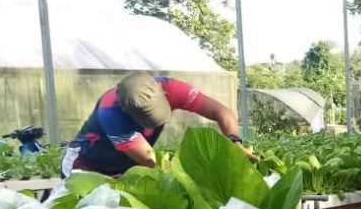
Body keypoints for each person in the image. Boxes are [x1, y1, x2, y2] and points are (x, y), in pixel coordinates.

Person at [62, 72, 250, 177]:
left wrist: (235, 143)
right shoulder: (111, 113)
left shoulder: (173, 88)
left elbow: (222, 113)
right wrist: (204, 172)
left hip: (124, 169)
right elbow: (150, 160)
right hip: (86, 166)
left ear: (162, 93)